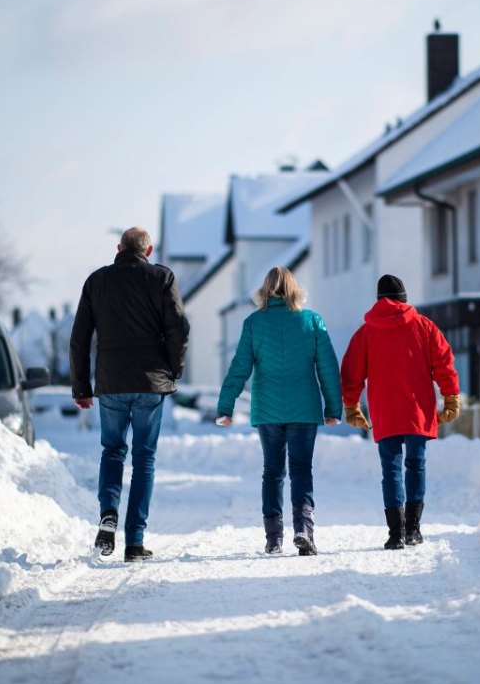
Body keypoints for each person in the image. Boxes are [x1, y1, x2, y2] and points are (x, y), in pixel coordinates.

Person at [70, 226, 189, 562]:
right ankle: (134, 542)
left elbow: (80, 337)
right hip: (151, 383)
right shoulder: (161, 278)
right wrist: (172, 370)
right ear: (148, 251)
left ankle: (108, 513)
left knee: (112, 451)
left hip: (110, 382)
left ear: (119, 248)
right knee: (144, 459)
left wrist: (81, 385)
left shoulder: (97, 281)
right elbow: (178, 327)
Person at [217, 267, 342, 556]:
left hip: (269, 410)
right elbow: (328, 368)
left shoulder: (253, 323)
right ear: (294, 289)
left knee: (272, 472)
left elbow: (239, 369)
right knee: (301, 470)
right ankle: (303, 529)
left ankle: (274, 539)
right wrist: (333, 407)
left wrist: (226, 407)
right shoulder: (312, 321)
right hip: (304, 409)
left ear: (265, 291)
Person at [340, 274, 461, 550]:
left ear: (379, 300)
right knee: (416, 464)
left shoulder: (366, 333)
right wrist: (450, 396)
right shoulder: (424, 327)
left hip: (386, 411)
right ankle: (414, 530)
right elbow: (444, 362)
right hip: (418, 409)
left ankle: (396, 533)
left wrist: (352, 404)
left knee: (391, 469)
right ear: (404, 300)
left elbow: (351, 372)